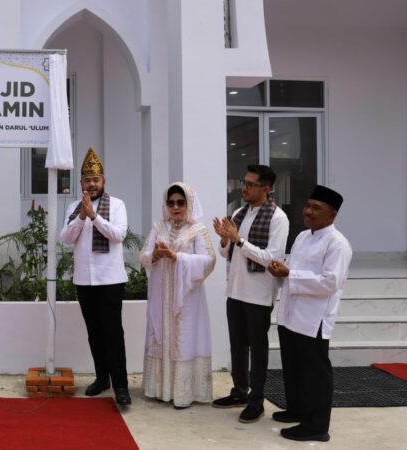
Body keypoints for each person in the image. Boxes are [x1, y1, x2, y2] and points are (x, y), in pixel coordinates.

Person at [268, 185, 352, 442]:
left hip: (313, 319)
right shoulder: (303, 237)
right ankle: (297, 409)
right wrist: (281, 269)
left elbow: (330, 282)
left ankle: (317, 426)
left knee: (315, 373)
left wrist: (289, 274)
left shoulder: (338, 244)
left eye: (317, 208)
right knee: (293, 367)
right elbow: (293, 268)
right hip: (291, 314)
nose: (309, 211)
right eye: (308, 205)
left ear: (332, 215)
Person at [212, 164, 289, 423]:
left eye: (249, 184)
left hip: (259, 293)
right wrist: (224, 241)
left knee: (258, 348)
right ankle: (239, 391)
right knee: (237, 345)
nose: (243, 188)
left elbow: (271, 258)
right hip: (235, 290)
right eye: (243, 183)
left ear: (265, 189)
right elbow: (229, 255)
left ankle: (257, 400)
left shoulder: (278, 218)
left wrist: (238, 241)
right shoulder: (239, 213)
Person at [60, 148, 131, 406]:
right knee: (94, 332)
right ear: (81, 183)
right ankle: (102, 379)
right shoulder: (73, 206)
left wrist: (95, 216)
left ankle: (121, 386)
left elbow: (118, 234)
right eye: (87, 180)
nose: (92, 184)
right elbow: (66, 238)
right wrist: (81, 216)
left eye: (96, 179)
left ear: (104, 181)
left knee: (113, 332)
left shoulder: (118, 204)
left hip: (110, 279)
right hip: (84, 280)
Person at [140, 182, 215, 408]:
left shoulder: (197, 230)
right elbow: (143, 254)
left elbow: (209, 260)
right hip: (161, 296)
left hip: (186, 299)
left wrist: (177, 258)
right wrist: (154, 255)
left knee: (184, 339)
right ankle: (159, 389)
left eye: (180, 202)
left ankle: (183, 393)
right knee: (160, 336)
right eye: (171, 202)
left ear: (188, 203)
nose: (175, 207)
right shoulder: (158, 226)